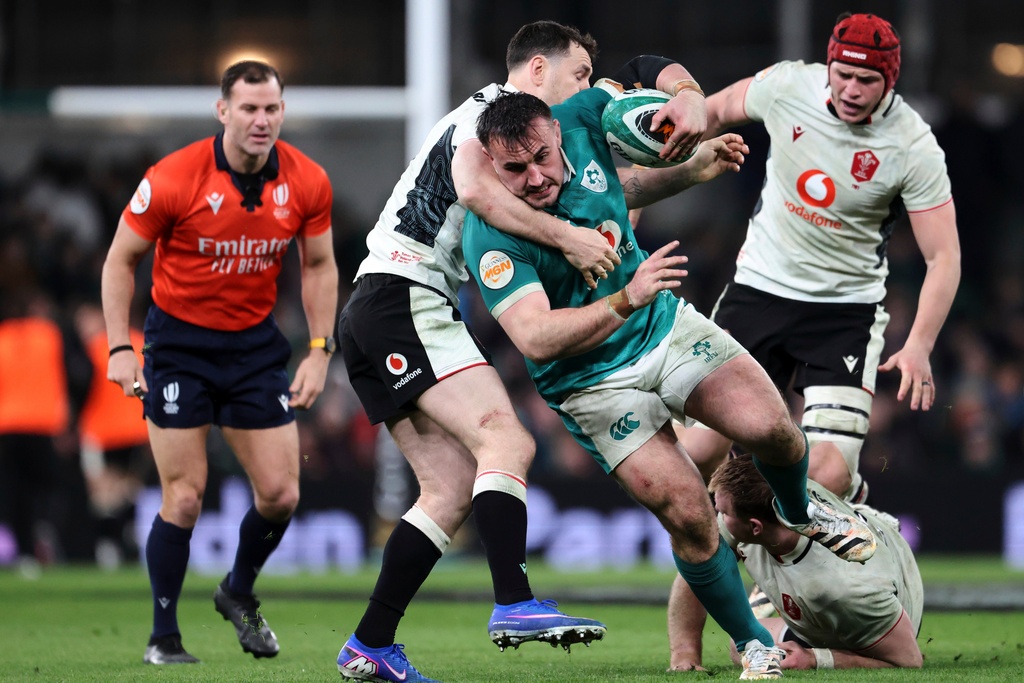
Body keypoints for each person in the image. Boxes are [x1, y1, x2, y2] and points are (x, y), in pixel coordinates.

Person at [337, 19, 707, 683]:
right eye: (578, 74)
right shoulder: (485, 120)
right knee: (506, 439)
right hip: (404, 296)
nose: (584, 87)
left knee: (449, 490)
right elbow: (476, 190)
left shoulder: (522, 139)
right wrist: (568, 239)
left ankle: (370, 643)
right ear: (537, 69)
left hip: (384, 306)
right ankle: (513, 600)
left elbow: (609, 188)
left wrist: (690, 169)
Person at [462, 89, 878, 680]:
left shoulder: (584, 117)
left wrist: (691, 155)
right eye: (514, 169)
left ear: (556, 133)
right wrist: (626, 298)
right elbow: (534, 337)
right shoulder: (490, 236)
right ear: (489, 164)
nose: (534, 178)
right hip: (589, 382)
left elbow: (625, 171)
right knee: (688, 514)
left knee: (773, 430)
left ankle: (801, 510)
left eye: (542, 158)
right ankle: (755, 643)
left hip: (663, 327)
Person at [101, 60, 338, 664]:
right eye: (249, 108)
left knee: (281, 494)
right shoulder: (174, 177)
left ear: (282, 112)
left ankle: (237, 591)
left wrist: (319, 349)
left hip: (254, 348)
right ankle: (164, 638)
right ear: (223, 111)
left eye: (271, 109)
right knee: (184, 497)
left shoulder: (308, 181)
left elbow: (318, 265)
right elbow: (120, 260)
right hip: (179, 348)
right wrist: (120, 347)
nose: (261, 120)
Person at [676, 11, 961, 504]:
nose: (851, 89)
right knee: (698, 451)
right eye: (843, 74)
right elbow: (713, 112)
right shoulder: (787, 85)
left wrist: (919, 344)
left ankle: (837, 490)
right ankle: (726, 535)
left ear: (890, 80)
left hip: (844, 313)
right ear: (828, 66)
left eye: (867, 80)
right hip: (759, 291)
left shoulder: (913, 145)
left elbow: (944, 256)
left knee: (827, 476)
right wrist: (646, 173)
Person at [668, 454, 923, 671]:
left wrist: (816, 659)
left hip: (887, 599)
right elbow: (698, 561)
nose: (718, 517)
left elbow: (908, 659)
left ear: (755, 527)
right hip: (816, 578)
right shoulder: (778, 491)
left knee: (831, 469)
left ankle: (856, 499)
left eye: (723, 512)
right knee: (743, 646)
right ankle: (779, 588)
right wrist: (685, 655)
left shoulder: (848, 589)